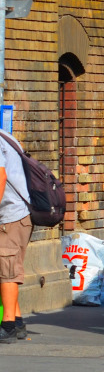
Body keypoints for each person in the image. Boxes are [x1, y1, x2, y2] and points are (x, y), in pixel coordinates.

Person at [0, 129, 31, 343]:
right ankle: (18, 322)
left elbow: (1, 177)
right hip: (17, 215)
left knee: (8, 270)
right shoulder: (5, 136)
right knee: (7, 267)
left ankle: (8, 325)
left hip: (11, 215)